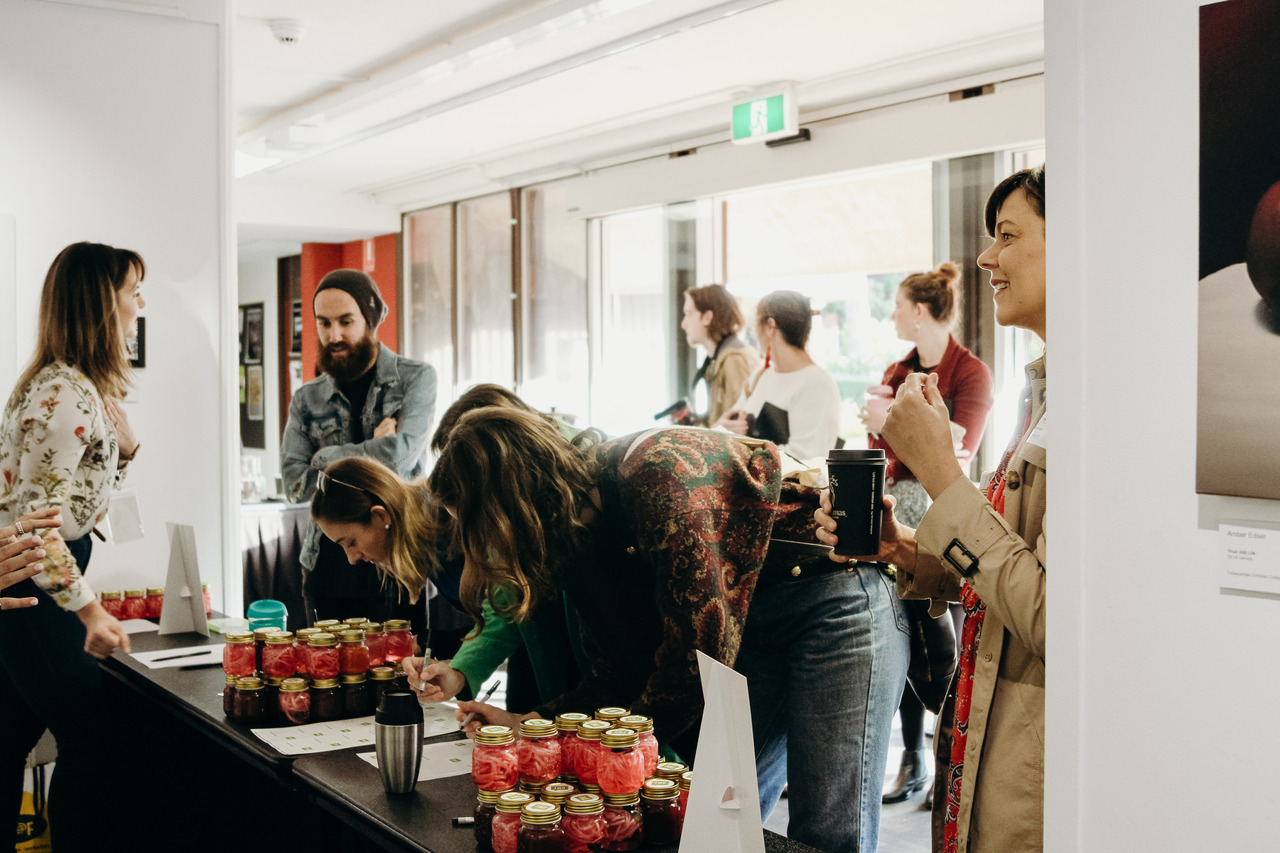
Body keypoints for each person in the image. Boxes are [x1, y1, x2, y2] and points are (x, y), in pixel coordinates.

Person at [817, 165, 1047, 853]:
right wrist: (902, 547)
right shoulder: (1044, 395)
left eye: (1008, 235)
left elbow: (1052, 612)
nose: (985, 258)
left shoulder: (1097, 402)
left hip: (1032, 769)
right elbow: (1010, 563)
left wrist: (941, 471)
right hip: (989, 747)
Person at [416, 408, 782, 760]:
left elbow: (693, 670)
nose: (488, 547)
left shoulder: (656, 484)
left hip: (799, 602)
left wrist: (598, 752)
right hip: (738, 627)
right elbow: (613, 675)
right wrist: (529, 724)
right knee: (718, 792)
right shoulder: (574, 530)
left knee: (746, 793)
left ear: (512, 506)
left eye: (482, 529)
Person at [0, 241, 143, 849]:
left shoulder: (68, 386)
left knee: (10, 739)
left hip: (38, 577)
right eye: (133, 292)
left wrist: (125, 452)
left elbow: (80, 497)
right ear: (102, 304)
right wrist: (89, 611)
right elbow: (39, 524)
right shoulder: (65, 396)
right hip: (34, 583)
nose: (140, 306)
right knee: (93, 737)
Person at [865, 263, 994, 805]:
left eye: (897, 305)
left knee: (947, 642)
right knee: (904, 633)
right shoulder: (897, 370)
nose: (893, 315)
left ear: (919, 311)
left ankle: (949, 760)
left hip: (947, 514)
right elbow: (888, 451)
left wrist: (889, 424)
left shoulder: (970, 373)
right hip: (902, 508)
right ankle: (914, 759)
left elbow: (960, 448)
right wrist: (884, 430)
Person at [281, 268, 438, 624]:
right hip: (326, 569)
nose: (333, 335)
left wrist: (324, 459)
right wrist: (377, 449)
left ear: (370, 320)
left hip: (398, 562)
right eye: (324, 323)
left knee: (406, 660)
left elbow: (400, 457)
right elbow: (293, 484)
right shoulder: (306, 398)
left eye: (345, 321)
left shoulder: (416, 378)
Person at [716, 289, 841, 462]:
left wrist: (742, 447)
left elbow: (806, 458)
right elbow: (729, 426)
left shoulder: (816, 383)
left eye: (755, 324)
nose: (754, 333)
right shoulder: (760, 375)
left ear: (770, 327)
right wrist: (723, 428)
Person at [680, 284, 761, 425]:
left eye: (688, 314)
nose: (683, 324)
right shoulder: (719, 358)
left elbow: (738, 426)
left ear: (707, 317)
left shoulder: (734, 360)